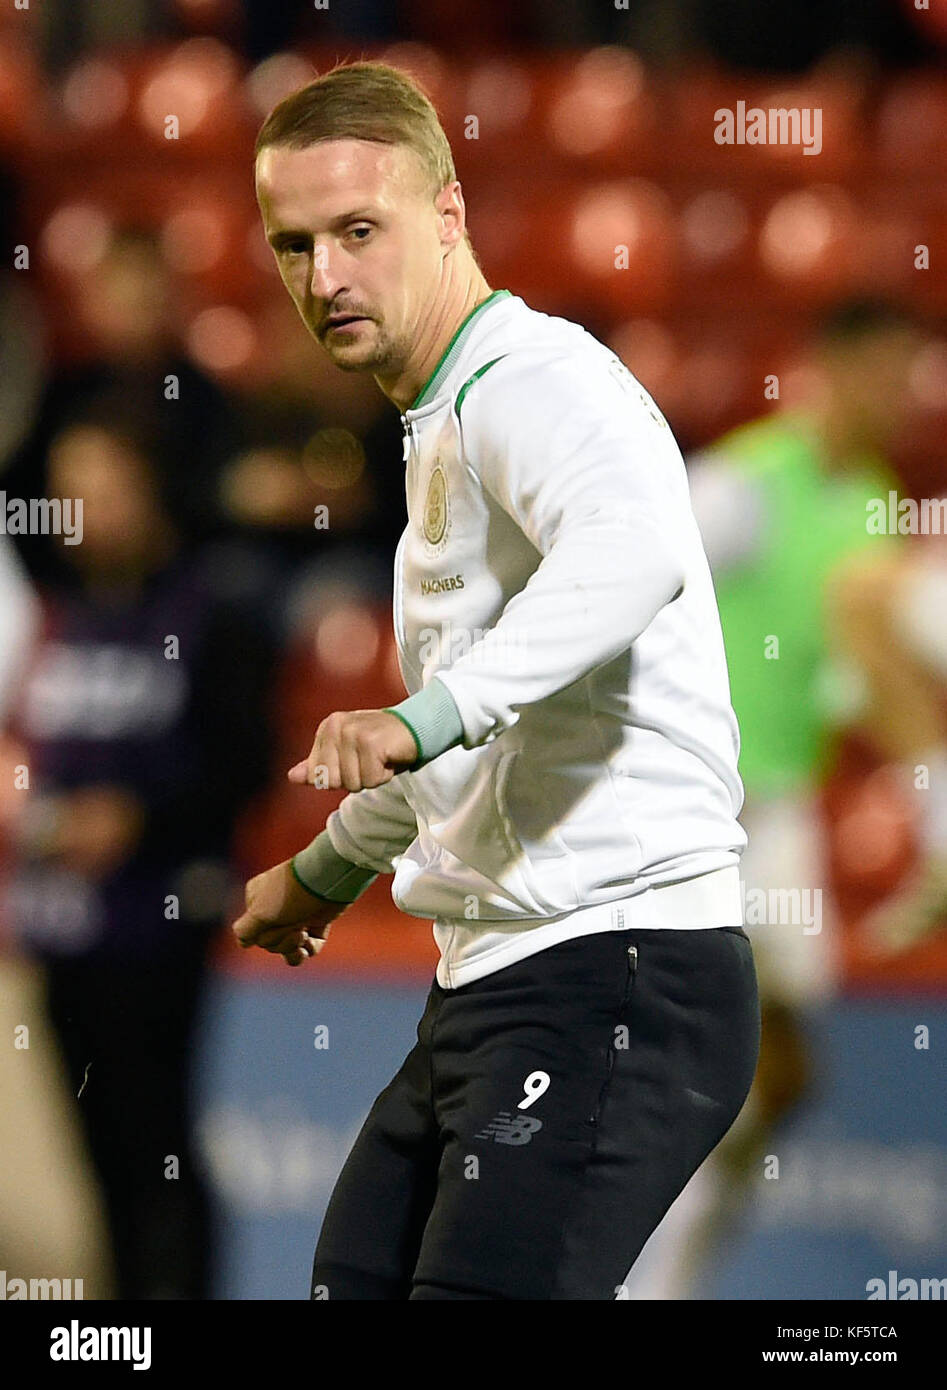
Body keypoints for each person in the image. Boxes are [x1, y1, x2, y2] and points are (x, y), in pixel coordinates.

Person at [231, 60, 760, 1301]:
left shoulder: (531, 381)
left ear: (450, 214)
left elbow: (631, 556)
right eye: (293, 244)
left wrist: (420, 717)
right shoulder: (441, 419)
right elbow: (485, 732)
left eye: (359, 231)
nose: (325, 278)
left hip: (619, 966)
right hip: (497, 979)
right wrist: (326, 867)